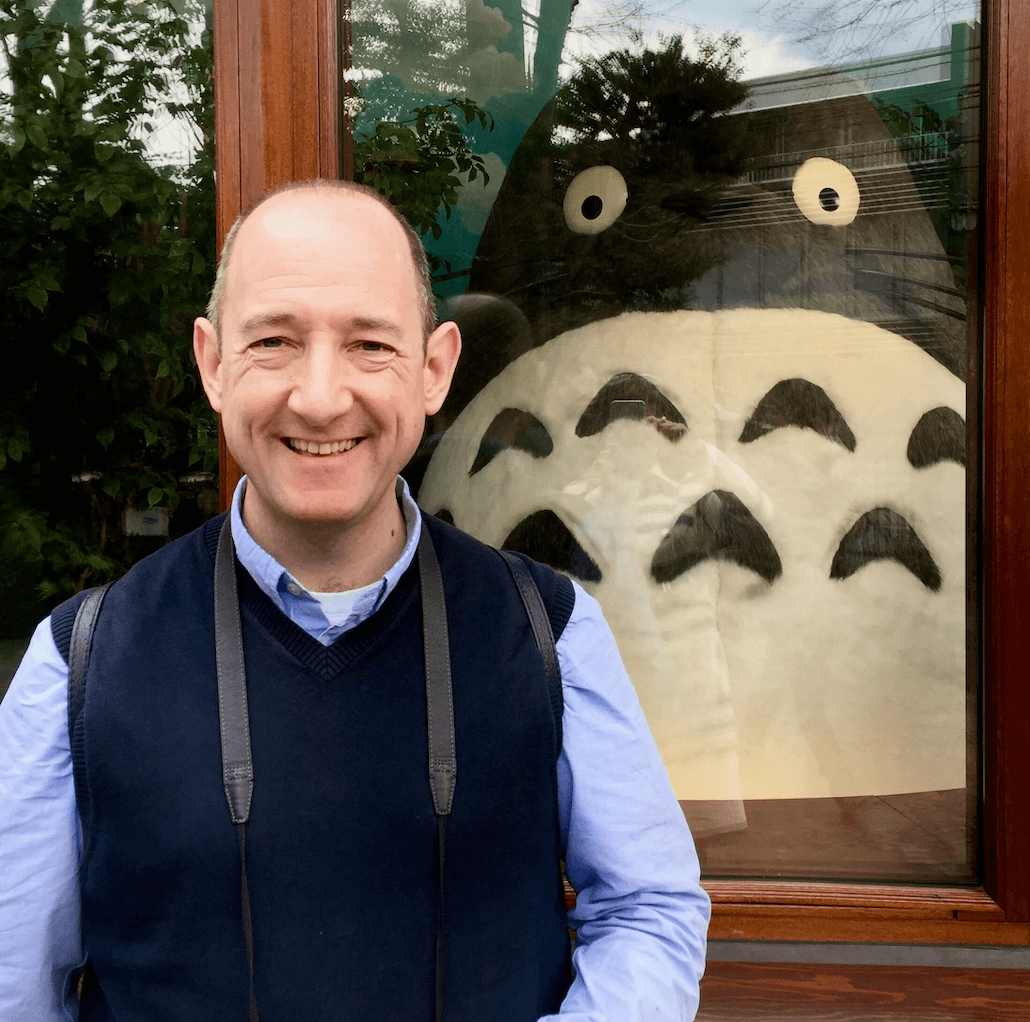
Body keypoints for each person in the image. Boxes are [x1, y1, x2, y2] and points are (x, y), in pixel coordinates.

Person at [0, 180, 710, 1021]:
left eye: (371, 344)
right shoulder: (81, 661)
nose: (322, 396)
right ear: (213, 363)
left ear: (436, 368)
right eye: (273, 341)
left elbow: (647, 912)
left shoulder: (549, 633)